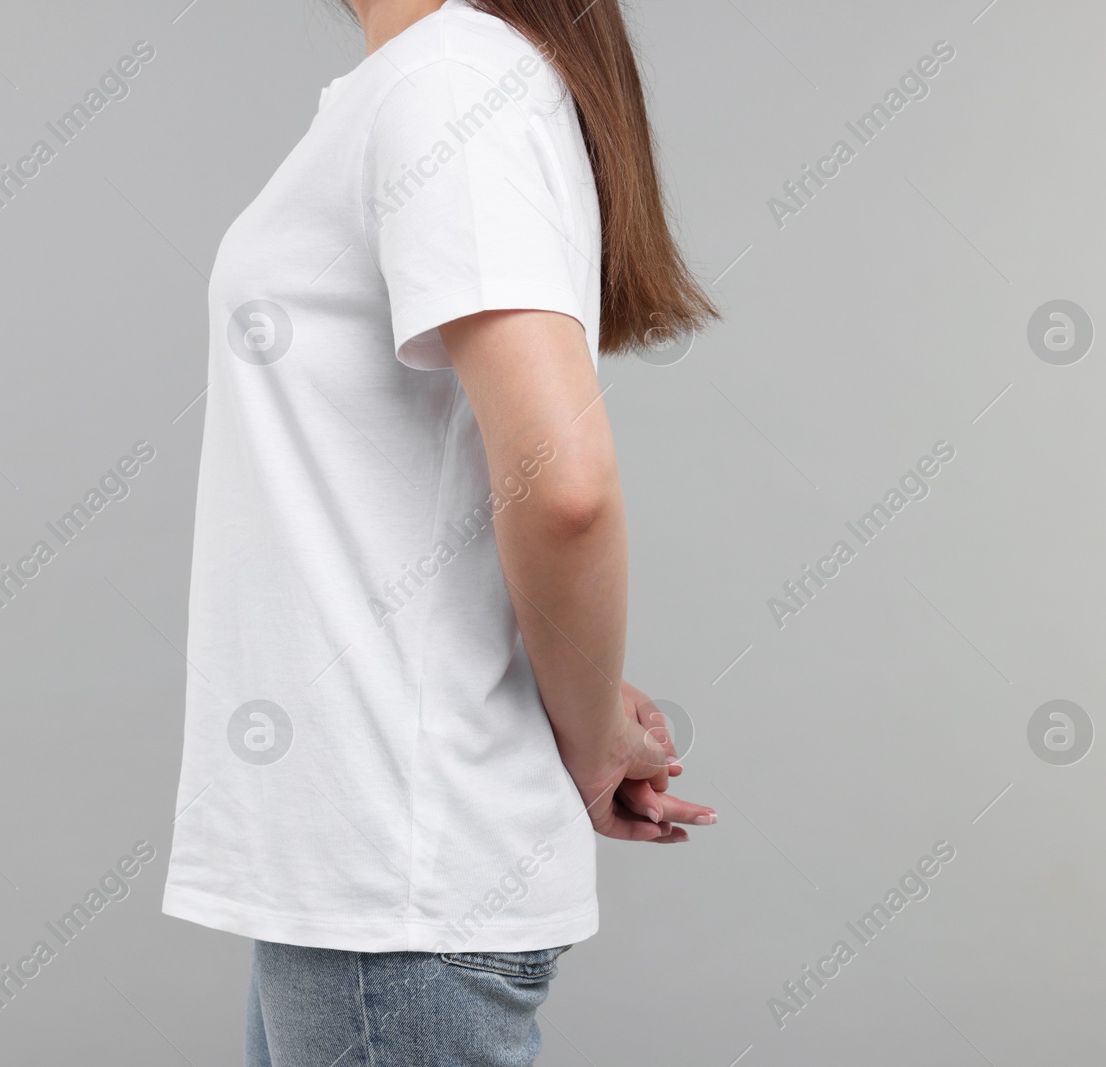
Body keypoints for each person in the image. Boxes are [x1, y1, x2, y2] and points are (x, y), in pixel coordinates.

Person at [161, 0, 719, 1062]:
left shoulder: (448, 82)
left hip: (392, 885)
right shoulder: (421, 86)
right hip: (355, 881)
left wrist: (587, 721)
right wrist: (580, 696)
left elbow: (564, 487)